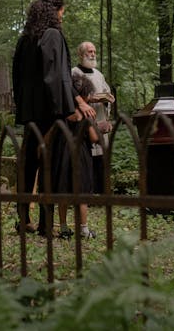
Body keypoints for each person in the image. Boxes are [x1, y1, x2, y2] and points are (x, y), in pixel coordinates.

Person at [12, 0, 95, 237]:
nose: (62, 16)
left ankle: (24, 219)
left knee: (28, 167)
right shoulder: (53, 36)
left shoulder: (25, 39)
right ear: (53, 11)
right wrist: (66, 109)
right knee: (48, 167)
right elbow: (57, 76)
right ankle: (45, 225)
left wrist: (23, 108)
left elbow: (18, 79)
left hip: (30, 114)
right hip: (50, 113)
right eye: (61, 11)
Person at [51, 72, 101, 239]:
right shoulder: (86, 114)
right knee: (82, 193)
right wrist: (101, 129)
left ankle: (64, 228)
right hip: (81, 155)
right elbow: (94, 137)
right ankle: (84, 229)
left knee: (63, 191)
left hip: (62, 154)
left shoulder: (62, 112)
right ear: (85, 95)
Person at [72, 41, 113, 194]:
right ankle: (87, 192)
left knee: (101, 158)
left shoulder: (99, 74)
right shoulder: (74, 73)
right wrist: (88, 100)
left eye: (94, 51)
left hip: (100, 117)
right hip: (84, 123)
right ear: (81, 54)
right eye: (89, 51)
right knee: (86, 158)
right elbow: (72, 99)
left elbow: (106, 91)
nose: (93, 54)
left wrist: (108, 99)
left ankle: (101, 192)